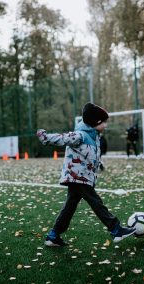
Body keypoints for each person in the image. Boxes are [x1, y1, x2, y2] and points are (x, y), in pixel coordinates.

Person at [36, 102, 136, 247]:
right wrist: (45, 137)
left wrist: (98, 165)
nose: (106, 125)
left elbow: (91, 156)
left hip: (82, 177)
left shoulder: (94, 135)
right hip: (77, 177)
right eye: (104, 122)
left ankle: (53, 236)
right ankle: (116, 229)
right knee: (96, 202)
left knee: (69, 207)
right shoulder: (81, 135)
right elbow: (63, 138)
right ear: (96, 122)